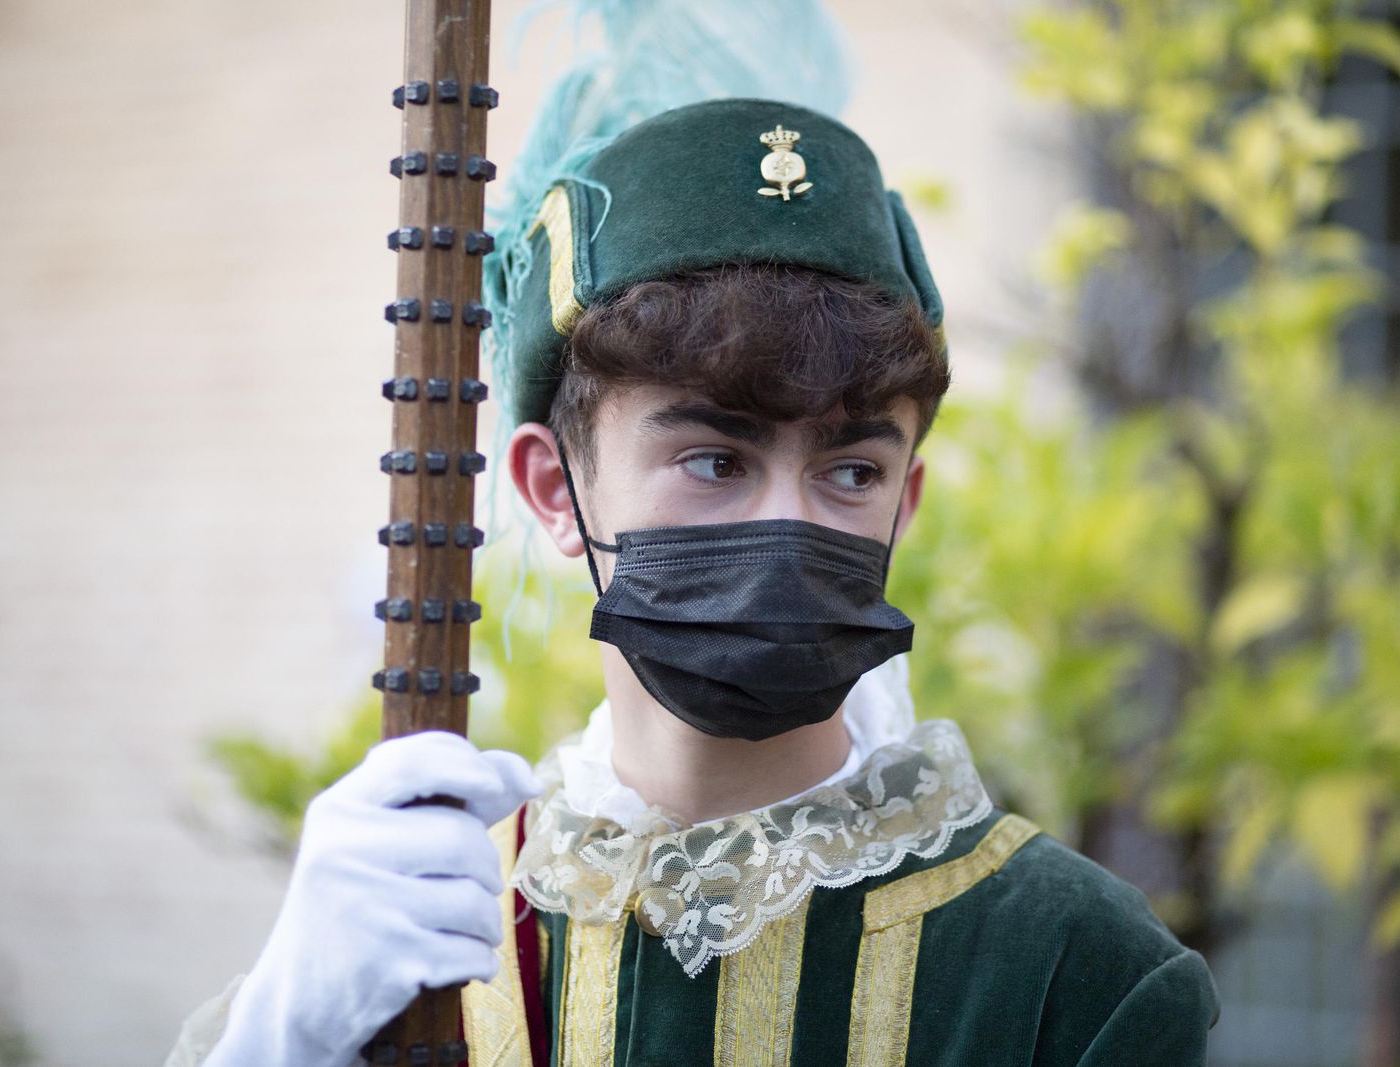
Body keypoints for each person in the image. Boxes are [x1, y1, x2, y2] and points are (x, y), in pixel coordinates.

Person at [165, 8, 1221, 1067]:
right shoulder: (418, 932)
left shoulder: (1077, 974)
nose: (785, 524)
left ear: (904, 502)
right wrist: (277, 1038)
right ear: (551, 488)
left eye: (849, 470)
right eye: (715, 460)